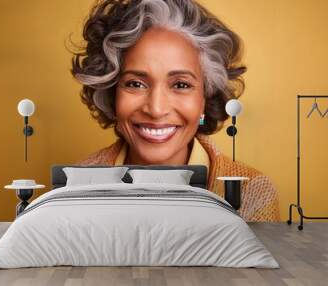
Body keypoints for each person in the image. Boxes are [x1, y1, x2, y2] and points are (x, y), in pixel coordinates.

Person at [70, 0, 280, 222]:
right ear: (112, 94)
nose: (156, 109)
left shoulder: (254, 193)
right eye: (135, 84)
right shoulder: (75, 186)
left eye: (181, 85)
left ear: (205, 99)